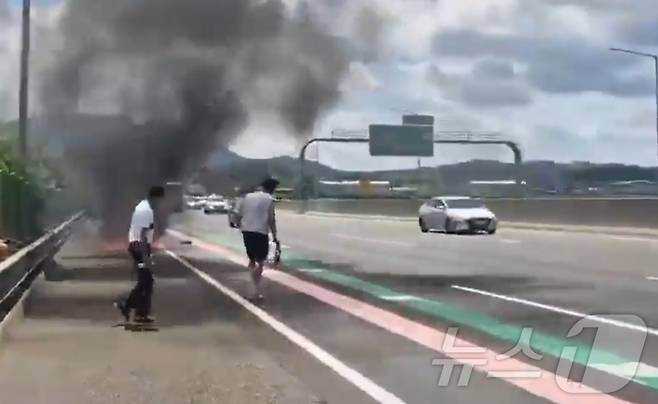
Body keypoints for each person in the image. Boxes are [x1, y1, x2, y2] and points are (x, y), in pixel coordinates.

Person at [115, 186, 165, 323]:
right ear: (156, 198)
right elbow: (143, 235)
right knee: (146, 280)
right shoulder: (146, 210)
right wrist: (145, 256)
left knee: (146, 281)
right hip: (139, 247)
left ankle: (138, 312)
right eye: (160, 200)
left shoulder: (142, 206)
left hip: (137, 246)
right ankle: (128, 304)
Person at [239, 178, 279, 301]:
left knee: (251, 260)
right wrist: (275, 235)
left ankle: (252, 288)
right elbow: (271, 219)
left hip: (247, 231)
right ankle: (254, 289)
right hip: (260, 232)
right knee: (260, 262)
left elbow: (240, 213)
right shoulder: (269, 199)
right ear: (272, 189)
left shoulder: (248, 196)